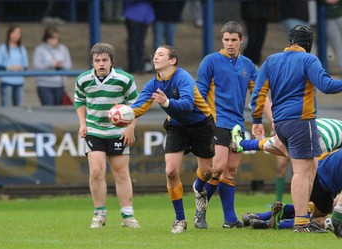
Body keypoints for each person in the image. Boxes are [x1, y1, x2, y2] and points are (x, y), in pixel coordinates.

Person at [250, 24, 342, 232]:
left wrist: (256, 120)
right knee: (302, 172)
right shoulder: (309, 59)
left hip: (281, 123)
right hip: (301, 121)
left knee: (311, 168)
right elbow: (326, 86)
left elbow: (259, 93)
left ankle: (299, 217)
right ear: (308, 42)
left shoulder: (271, 61)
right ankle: (301, 222)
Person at [194, 21, 271, 229]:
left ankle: (229, 219)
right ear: (222, 40)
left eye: (233, 40)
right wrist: (198, 119)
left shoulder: (247, 65)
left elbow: (259, 95)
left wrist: (272, 119)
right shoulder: (210, 61)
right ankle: (199, 212)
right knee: (217, 168)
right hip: (215, 121)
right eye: (226, 39)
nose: (229, 44)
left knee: (231, 170)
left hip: (236, 125)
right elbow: (199, 92)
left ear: (241, 40)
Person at [131, 45, 215, 233]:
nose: (155, 57)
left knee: (209, 172)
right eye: (154, 54)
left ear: (172, 60)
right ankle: (180, 220)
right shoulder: (154, 83)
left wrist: (166, 102)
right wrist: (123, 113)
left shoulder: (183, 77)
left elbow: (187, 104)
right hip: (177, 126)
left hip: (202, 124)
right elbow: (139, 105)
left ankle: (198, 186)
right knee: (170, 172)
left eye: (160, 54)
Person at [74, 42, 140, 229]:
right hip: (94, 130)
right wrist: (82, 124)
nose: (101, 64)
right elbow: (79, 101)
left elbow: (135, 105)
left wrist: (130, 127)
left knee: (121, 172)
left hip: (118, 132)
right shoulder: (83, 79)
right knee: (96, 171)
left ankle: (127, 215)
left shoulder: (124, 79)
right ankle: (99, 214)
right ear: (92, 62)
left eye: (104, 60)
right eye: (97, 60)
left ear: (111, 61)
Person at [241, 148, 342, 233]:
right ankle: (268, 224)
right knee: (318, 217)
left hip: (316, 170)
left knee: (324, 209)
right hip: (319, 180)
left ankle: (263, 216)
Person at [33, 26, 72, 106]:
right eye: (51, 39)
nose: (54, 41)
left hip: (59, 84)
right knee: (48, 108)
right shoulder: (40, 49)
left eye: (56, 38)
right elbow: (37, 66)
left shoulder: (63, 49)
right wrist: (50, 64)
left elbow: (68, 65)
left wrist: (61, 64)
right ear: (46, 39)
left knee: (58, 111)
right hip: (44, 84)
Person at [0, 24, 29, 107]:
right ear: (9, 34)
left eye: (18, 33)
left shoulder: (22, 49)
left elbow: (26, 66)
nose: (16, 35)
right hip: (7, 81)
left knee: (18, 107)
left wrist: (21, 68)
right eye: (14, 33)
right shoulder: (3, 48)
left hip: (19, 82)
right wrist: (9, 67)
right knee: (6, 106)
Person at [123, 0, 155, 73]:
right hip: (133, 16)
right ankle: (134, 66)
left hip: (146, 16)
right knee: (134, 41)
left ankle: (139, 65)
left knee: (140, 42)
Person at [240, 0, 269, 66]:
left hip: (262, 12)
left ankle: (254, 62)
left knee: (259, 38)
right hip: (251, 12)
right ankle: (248, 62)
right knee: (253, 39)